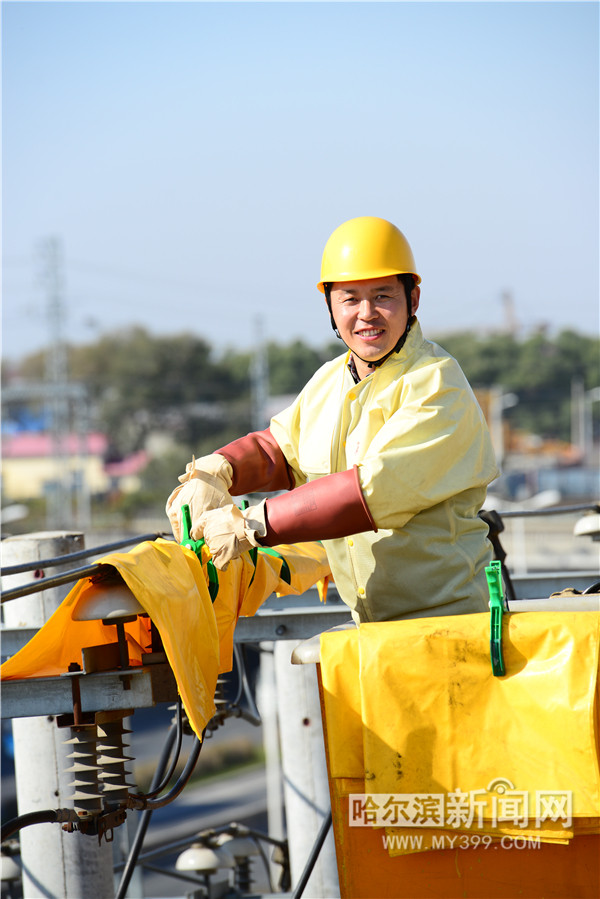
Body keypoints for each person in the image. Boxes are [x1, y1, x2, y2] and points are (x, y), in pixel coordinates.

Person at [166, 216, 499, 623]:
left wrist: (251, 523)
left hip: (450, 618)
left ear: (413, 299)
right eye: (350, 299)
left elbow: (369, 491)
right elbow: (279, 450)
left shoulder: (435, 383)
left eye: (383, 296)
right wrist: (216, 471)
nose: (367, 314)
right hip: (372, 626)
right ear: (329, 306)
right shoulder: (330, 379)